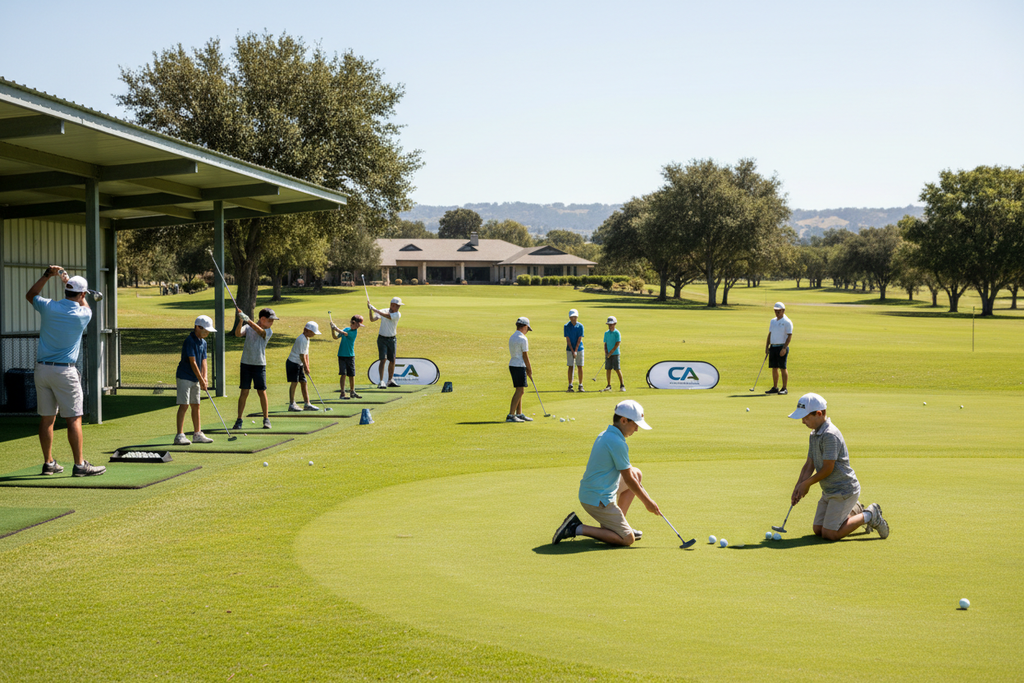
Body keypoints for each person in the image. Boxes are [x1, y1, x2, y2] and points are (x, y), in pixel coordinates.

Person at [25, 266, 105, 476]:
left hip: (42, 370)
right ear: (81, 294)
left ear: (66, 292)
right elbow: (85, 306)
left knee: (47, 418)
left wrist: (48, 275)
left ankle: (48, 463)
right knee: (74, 418)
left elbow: (31, 295)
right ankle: (79, 465)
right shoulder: (83, 314)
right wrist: (70, 284)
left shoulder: (48, 306)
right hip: (65, 373)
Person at [552, 400, 661, 546]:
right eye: (635, 424)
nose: (636, 429)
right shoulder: (617, 442)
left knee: (637, 473)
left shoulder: (607, 434)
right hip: (597, 500)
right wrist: (648, 502)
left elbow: (630, 474)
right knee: (627, 539)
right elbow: (628, 480)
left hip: (593, 492)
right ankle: (576, 528)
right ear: (623, 420)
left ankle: (616, 527)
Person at [787, 392, 889, 540]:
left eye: (806, 417)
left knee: (830, 534)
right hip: (829, 491)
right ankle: (857, 509)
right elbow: (809, 464)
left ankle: (870, 514)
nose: (803, 421)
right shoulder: (814, 434)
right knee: (818, 530)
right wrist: (798, 485)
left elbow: (828, 468)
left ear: (819, 413)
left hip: (844, 490)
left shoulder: (830, 435)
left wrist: (807, 483)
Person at [233, 307, 278, 430]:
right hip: (246, 364)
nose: (272, 323)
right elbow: (237, 334)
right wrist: (241, 321)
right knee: (244, 391)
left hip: (259, 365)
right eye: (270, 320)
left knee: (261, 391)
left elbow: (260, 332)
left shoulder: (268, 332)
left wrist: (248, 320)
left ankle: (266, 419)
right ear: (262, 319)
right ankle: (239, 420)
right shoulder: (248, 327)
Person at [173, 315, 216, 445]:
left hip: (196, 378)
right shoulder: (189, 341)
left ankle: (197, 434)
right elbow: (193, 362)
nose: (208, 332)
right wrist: (200, 379)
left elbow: (204, 361)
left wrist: (205, 378)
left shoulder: (203, 342)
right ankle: (179, 435)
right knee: (184, 405)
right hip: (185, 376)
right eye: (206, 330)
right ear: (198, 327)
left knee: (196, 405)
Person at [286, 321, 322, 412]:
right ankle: (291, 404)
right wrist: (305, 367)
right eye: (313, 332)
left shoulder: (307, 338)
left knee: (304, 382)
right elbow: (302, 356)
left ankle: (307, 404)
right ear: (307, 330)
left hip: (300, 363)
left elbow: (306, 354)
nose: (314, 334)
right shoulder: (301, 339)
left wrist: (307, 366)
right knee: (294, 382)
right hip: (293, 363)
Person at [368, 297, 403, 389]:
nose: (399, 307)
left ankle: (390, 380)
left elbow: (387, 316)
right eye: (397, 306)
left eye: (399, 306)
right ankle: (381, 381)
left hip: (392, 339)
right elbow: (372, 319)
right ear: (392, 305)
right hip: (382, 339)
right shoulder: (384, 310)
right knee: (383, 359)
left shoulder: (397, 314)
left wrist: (374, 309)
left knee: (392, 360)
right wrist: (370, 310)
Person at [331, 314, 365, 399]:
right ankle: (342, 393)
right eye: (358, 324)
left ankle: (352, 391)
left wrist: (336, 328)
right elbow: (335, 337)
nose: (358, 327)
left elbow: (344, 333)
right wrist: (333, 330)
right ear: (353, 322)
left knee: (351, 375)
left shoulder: (354, 332)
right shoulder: (347, 329)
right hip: (342, 355)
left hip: (350, 355)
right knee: (343, 374)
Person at [506, 316, 534, 423]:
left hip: (513, 365)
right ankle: (511, 415)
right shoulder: (523, 338)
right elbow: (525, 356)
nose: (527, 331)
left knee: (520, 390)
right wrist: (529, 369)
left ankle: (519, 414)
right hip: (519, 366)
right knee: (520, 391)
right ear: (525, 326)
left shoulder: (512, 337)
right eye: (528, 329)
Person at [765, 301, 793, 395]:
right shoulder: (772, 321)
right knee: (774, 368)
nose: (777, 313)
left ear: (783, 311)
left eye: (779, 311)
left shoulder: (787, 322)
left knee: (782, 367)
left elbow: (789, 336)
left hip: (782, 346)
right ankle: (775, 387)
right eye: (775, 311)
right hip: (773, 346)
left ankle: (784, 388)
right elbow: (770, 334)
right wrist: (767, 346)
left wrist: (784, 348)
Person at [600, 315, 625, 392]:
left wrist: (611, 352)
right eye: (609, 325)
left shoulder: (617, 333)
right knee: (608, 369)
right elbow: (605, 343)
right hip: (608, 354)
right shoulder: (606, 333)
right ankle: (608, 385)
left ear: (615, 324)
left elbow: (617, 343)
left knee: (617, 369)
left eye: (611, 324)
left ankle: (622, 385)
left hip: (615, 354)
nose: (610, 326)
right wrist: (606, 352)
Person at [564, 308, 585, 392]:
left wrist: (576, 350)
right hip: (569, 349)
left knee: (580, 366)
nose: (574, 318)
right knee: (570, 366)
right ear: (570, 317)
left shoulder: (580, 326)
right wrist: (572, 351)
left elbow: (579, 339)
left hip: (579, 349)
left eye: (575, 317)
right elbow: (568, 340)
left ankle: (580, 385)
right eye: (572, 317)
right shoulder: (566, 326)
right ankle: (570, 385)